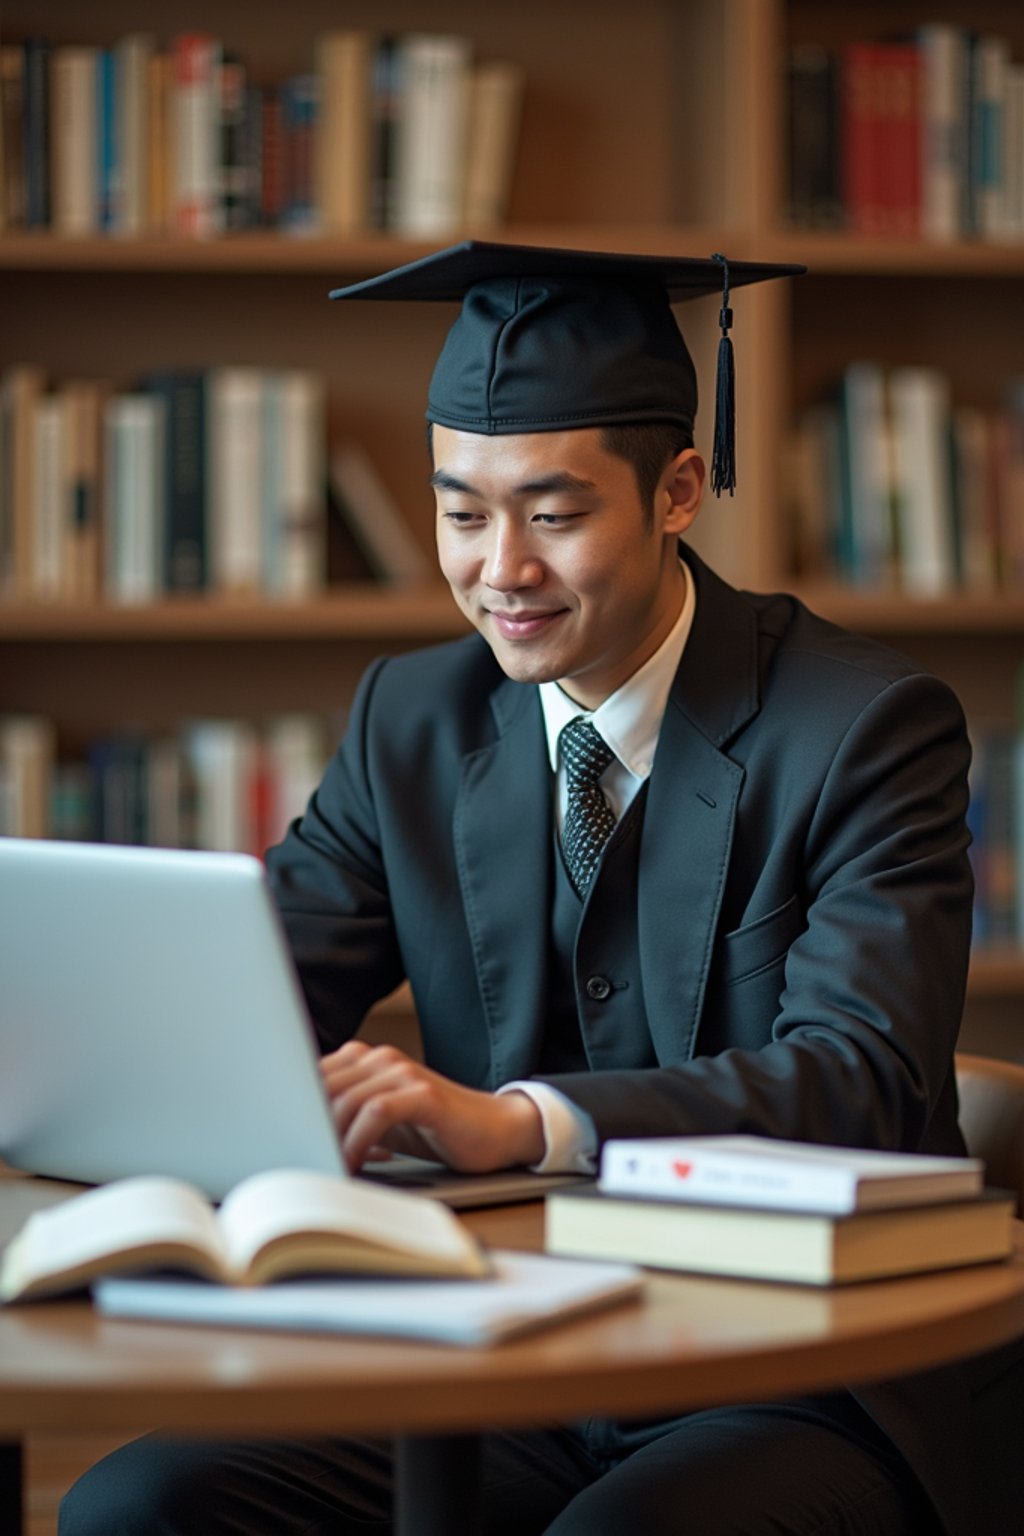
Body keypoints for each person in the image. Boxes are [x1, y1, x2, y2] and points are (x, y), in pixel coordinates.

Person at [61, 243, 1020, 1535]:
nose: (499, 568)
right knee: (141, 1503)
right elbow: (255, 993)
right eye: (463, 512)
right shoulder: (412, 716)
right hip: (497, 1350)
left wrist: (521, 1122)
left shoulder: (865, 728)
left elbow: (862, 1078)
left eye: (554, 515)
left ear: (679, 490)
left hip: (792, 1370)